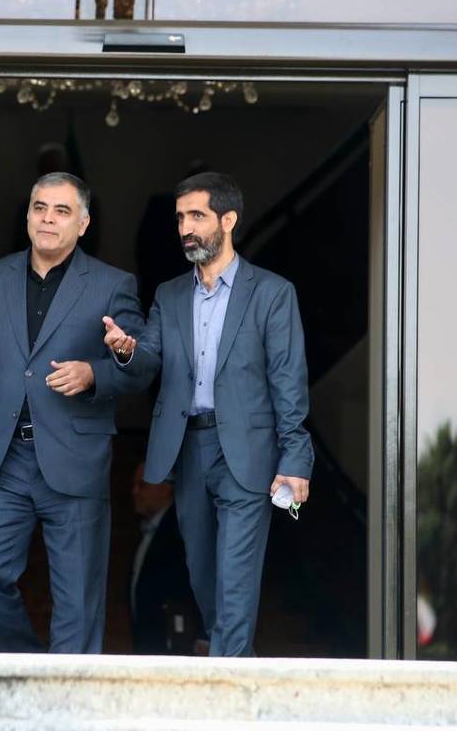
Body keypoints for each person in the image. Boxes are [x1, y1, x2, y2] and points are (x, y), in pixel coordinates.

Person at [0, 172, 148, 653]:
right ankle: (27, 668)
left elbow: (141, 366)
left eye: (62, 211)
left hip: (75, 456)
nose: (48, 219)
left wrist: (96, 371)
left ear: (83, 224)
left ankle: (65, 695)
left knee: (79, 603)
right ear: (28, 215)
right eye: (39, 208)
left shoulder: (113, 285)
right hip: (1, 456)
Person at [102, 171, 313, 656]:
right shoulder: (169, 295)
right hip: (189, 450)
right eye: (180, 218)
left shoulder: (272, 293)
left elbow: (288, 379)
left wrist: (295, 457)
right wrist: (126, 350)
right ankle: (237, 667)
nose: (185, 228)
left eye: (196, 216)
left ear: (228, 220)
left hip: (246, 451)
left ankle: (224, 681)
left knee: (235, 580)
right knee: (204, 579)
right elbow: (148, 359)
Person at [128, 462, 203, 655]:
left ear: (166, 488)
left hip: (176, 646)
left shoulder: (180, 528)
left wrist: (201, 635)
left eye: (142, 485)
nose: (135, 492)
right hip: (149, 644)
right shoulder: (148, 529)